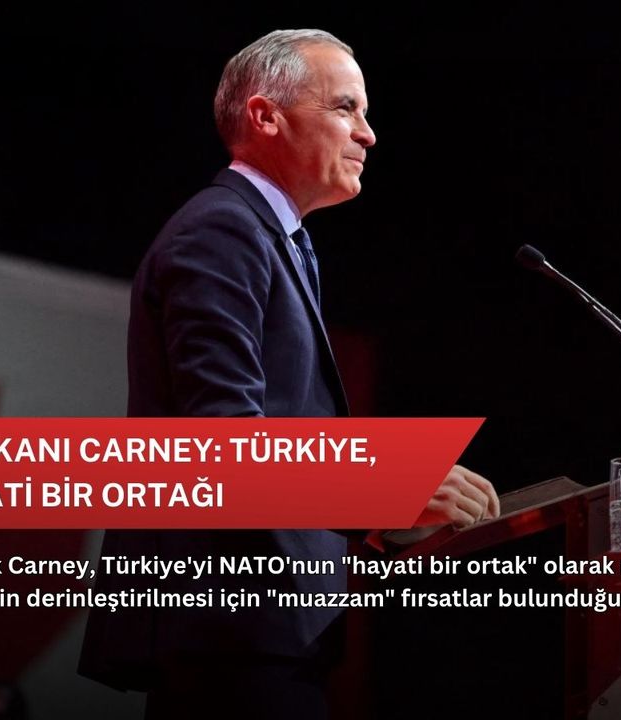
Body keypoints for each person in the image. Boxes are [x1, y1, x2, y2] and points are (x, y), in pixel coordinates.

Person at [78, 29, 499, 718]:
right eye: (345, 107)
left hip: (261, 630)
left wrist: (381, 524)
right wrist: (386, 487)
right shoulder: (222, 231)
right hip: (227, 627)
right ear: (265, 116)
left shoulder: (274, 239)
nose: (368, 134)